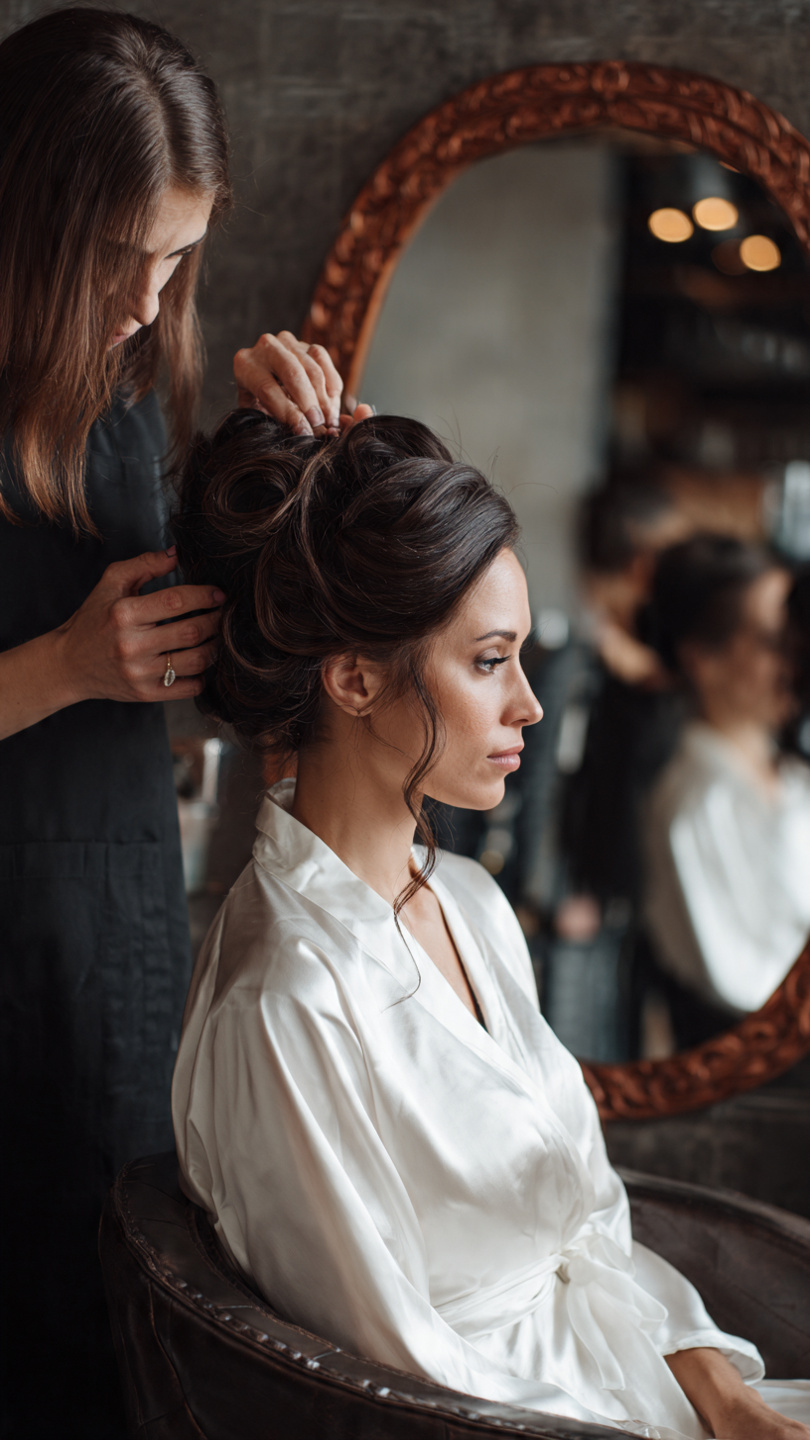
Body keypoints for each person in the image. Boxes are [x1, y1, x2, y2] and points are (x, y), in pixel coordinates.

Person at [172, 411, 810, 1440]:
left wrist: (725, 1398)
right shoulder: (285, 1005)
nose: (530, 707)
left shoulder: (465, 902)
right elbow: (384, 1383)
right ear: (355, 678)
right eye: (488, 662)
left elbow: (590, 1229)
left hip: (638, 1381)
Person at [0, 10, 367, 1435]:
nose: (149, 300)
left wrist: (279, 466)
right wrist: (57, 666)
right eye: (116, 259)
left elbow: (210, 664)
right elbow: (92, 657)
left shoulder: (123, 389)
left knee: (111, 1335)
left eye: (175, 259)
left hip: (110, 942)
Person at [643, 534, 810, 1047]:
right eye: (770, 642)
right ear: (703, 659)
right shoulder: (697, 804)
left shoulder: (793, 778)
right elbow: (743, 980)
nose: (793, 660)